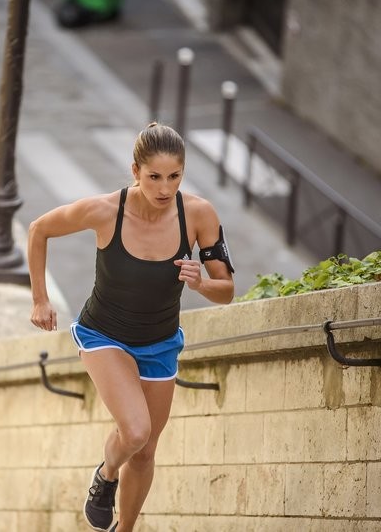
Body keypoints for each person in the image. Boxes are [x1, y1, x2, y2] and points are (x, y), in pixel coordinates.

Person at [28, 123, 235, 531]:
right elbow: (39, 230)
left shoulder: (198, 214)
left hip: (160, 343)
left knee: (144, 452)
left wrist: (200, 283)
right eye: (154, 176)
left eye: (174, 176)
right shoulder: (105, 211)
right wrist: (40, 298)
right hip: (104, 335)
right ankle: (106, 475)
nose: (164, 188)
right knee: (136, 430)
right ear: (136, 170)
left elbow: (226, 290)